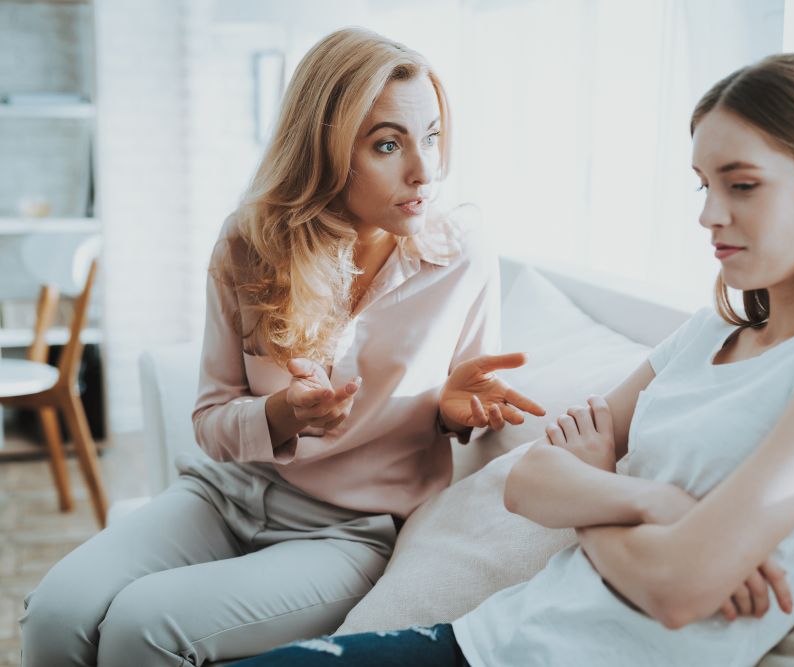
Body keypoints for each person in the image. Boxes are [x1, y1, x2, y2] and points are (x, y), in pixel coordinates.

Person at [231, 52, 794, 667]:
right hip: (490, 639)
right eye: (703, 184)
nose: (708, 215)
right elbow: (530, 480)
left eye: (743, 185)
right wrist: (648, 501)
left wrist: (596, 486)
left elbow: (677, 590)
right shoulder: (706, 333)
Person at [19, 27, 543, 667]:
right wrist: (281, 417)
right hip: (224, 495)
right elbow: (210, 421)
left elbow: (467, 394)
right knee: (55, 615)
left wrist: (452, 413)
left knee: (142, 627)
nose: (424, 170)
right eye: (387, 144)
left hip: (347, 533)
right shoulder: (249, 242)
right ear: (324, 148)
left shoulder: (460, 254)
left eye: (431, 136)